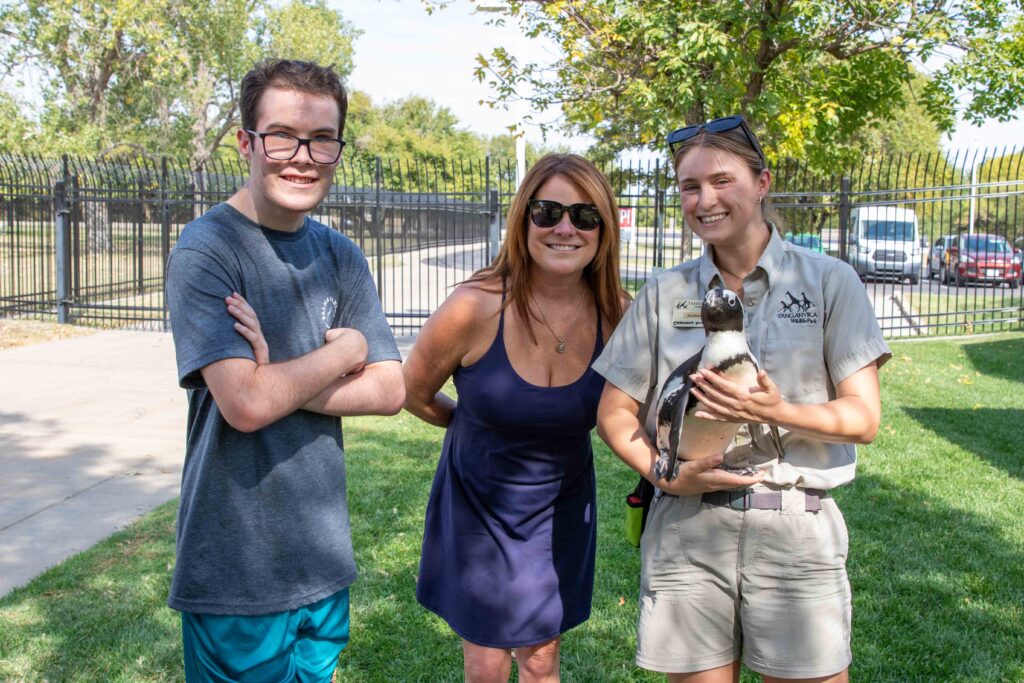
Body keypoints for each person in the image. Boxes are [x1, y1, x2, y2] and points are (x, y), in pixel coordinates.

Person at [594, 116, 890, 683]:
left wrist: (774, 410)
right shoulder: (665, 293)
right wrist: (663, 474)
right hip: (687, 531)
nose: (705, 199)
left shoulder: (830, 282)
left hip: (796, 528)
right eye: (689, 186)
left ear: (762, 183)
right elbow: (612, 411)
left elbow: (863, 418)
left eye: (722, 180)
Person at [164, 58, 404, 682]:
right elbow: (244, 406)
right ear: (247, 142)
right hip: (236, 571)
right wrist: (344, 353)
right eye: (282, 136)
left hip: (323, 560)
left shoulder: (339, 254)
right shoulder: (207, 249)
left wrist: (277, 382)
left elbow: (390, 390)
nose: (302, 156)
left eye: (321, 139)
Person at [403, 153, 628, 682]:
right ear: (522, 219)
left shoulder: (621, 315)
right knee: (485, 661)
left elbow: (648, 407)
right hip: (479, 504)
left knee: (542, 659)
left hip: (563, 508)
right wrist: (473, 427)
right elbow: (414, 393)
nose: (565, 228)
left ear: (604, 229)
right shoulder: (473, 307)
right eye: (548, 211)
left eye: (585, 215)